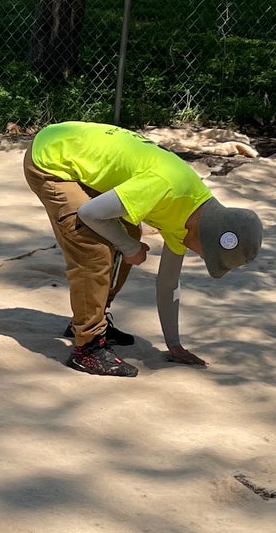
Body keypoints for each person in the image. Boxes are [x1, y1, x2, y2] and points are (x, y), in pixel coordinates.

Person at [24, 121, 263, 377]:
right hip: (50, 158)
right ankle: (88, 348)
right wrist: (129, 248)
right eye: (208, 254)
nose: (202, 256)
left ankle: (92, 320)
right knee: (93, 247)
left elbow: (169, 283)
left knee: (127, 232)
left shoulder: (190, 220)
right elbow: (89, 213)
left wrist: (174, 345)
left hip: (78, 155)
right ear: (207, 235)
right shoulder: (169, 189)